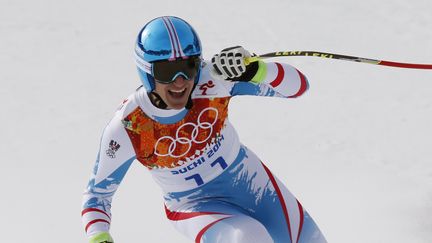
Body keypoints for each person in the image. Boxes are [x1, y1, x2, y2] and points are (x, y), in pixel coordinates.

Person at [81, 16, 327, 243]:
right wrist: (98, 236)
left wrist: (256, 70)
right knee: (248, 237)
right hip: (193, 203)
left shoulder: (214, 79)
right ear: (146, 72)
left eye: (188, 66)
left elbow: (299, 87)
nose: (180, 81)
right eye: (167, 72)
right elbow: (97, 197)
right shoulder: (130, 124)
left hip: (249, 180)